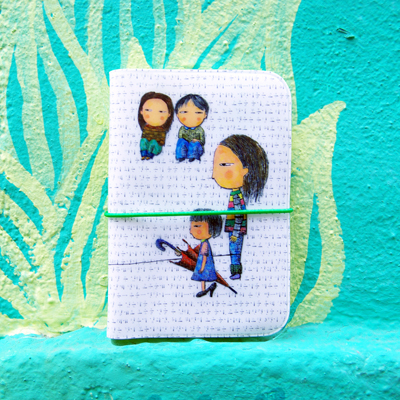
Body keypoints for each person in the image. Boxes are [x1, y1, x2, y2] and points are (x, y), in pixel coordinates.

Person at [212, 135, 269, 280]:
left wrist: (236, 233)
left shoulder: (237, 197)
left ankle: (236, 272)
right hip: (234, 230)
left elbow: (238, 216)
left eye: (223, 165)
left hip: (235, 232)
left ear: (245, 169)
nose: (213, 175)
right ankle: (235, 271)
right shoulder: (235, 195)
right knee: (233, 251)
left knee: (235, 252)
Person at [189, 210, 223, 298]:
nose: (191, 231)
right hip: (204, 264)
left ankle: (204, 290)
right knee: (203, 278)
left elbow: (204, 256)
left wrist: (202, 268)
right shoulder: (204, 243)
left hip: (204, 265)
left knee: (203, 276)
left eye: (196, 226)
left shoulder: (204, 244)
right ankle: (205, 289)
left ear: (211, 229)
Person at [138, 92, 174, 160]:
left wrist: (158, 142)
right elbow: (144, 137)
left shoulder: (162, 130)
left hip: (156, 147)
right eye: (148, 110)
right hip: (148, 145)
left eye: (161, 111)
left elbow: (162, 141)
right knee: (143, 140)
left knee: (153, 142)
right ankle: (143, 153)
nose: (154, 115)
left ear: (169, 114)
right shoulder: (146, 128)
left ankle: (150, 155)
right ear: (141, 111)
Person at [175, 94, 209, 162]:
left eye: (198, 112)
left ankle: (193, 157)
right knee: (181, 142)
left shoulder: (200, 130)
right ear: (177, 114)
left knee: (194, 144)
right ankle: (181, 156)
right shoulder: (182, 129)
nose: (191, 117)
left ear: (205, 115)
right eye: (184, 112)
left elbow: (203, 141)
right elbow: (180, 137)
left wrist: (197, 141)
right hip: (186, 147)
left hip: (197, 148)